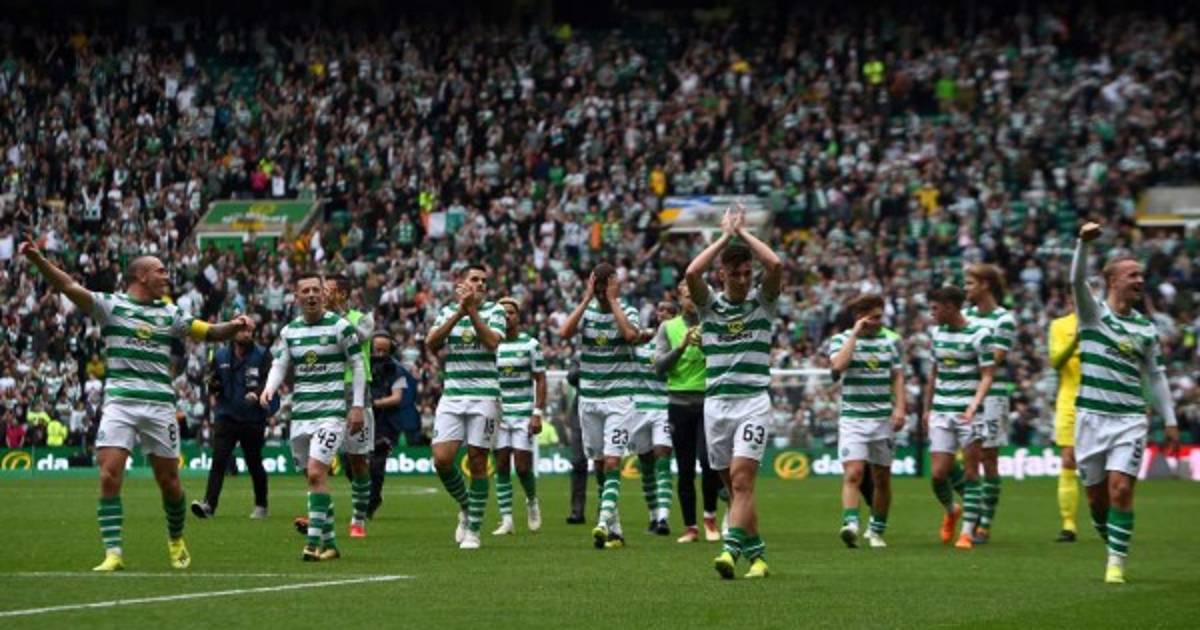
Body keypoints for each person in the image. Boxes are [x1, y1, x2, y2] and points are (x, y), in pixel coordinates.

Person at [21, 238, 254, 571]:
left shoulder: (170, 313)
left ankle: (176, 539)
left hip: (159, 406)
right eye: (160, 271)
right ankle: (113, 553)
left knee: (169, 483)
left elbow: (209, 332)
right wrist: (38, 260)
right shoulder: (111, 306)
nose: (166, 276)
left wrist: (234, 326)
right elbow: (69, 286)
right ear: (141, 276)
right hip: (120, 404)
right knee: (108, 474)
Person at [1071, 222, 1179, 584]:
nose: (1139, 280)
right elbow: (1075, 281)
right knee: (1096, 501)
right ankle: (1112, 542)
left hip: (1129, 419)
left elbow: (1156, 376)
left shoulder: (1146, 328)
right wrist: (1083, 244)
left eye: (1141, 275)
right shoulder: (1092, 315)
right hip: (1090, 418)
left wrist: (1170, 420)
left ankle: (1115, 563)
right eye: (1132, 274)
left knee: (1120, 488)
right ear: (1112, 281)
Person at [685, 206, 782, 580]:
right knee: (735, 487)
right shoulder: (709, 306)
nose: (743, 280)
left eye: (747, 273)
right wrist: (724, 236)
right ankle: (759, 556)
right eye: (735, 273)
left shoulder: (762, 302)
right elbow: (692, 273)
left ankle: (729, 548)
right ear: (722, 274)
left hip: (752, 402)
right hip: (716, 405)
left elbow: (775, 265)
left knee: (742, 482)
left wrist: (743, 234)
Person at [261, 272, 365, 561]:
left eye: (315, 290)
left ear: (323, 294)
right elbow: (280, 365)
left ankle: (312, 543)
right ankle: (331, 544)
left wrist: (357, 406)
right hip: (301, 415)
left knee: (317, 472)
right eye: (305, 290)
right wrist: (269, 389)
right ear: (296, 296)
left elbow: (358, 365)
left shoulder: (340, 327)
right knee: (313, 478)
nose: (310, 295)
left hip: (331, 414)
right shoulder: (289, 331)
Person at [559, 262, 642, 550]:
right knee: (598, 463)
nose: (604, 290)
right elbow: (564, 333)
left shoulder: (628, 310)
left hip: (619, 398)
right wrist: (585, 299)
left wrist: (614, 301)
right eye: (600, 285)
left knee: (612, 461)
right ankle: (615, 530)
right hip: (589, 398)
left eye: (609, 284)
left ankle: (603, 521)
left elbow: (631, 336)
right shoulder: (587, 312)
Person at [425, 264, 506, 550]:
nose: (480, 284)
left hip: (485, 396)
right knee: (441, 460)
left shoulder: (496, 311)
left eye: (484, 280)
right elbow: (432, 344)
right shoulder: (447, 311)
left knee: (477, 461)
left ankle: (473, 531)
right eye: (475, 279)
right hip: (453, 395)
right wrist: (460, 312)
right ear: (462, 283)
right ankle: (467, 505)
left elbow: (492, 342)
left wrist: (472, 312)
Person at [828, 294, 906, 549]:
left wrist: (900, 408)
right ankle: (851, 524)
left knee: (882, 477)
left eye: (880, 317)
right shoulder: (840, 340)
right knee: (854, 473)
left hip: (882, 418)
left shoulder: (891, 340)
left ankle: (876, 530)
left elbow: (897, 376)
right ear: (860, 317)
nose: (878, 322)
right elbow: (838, 367)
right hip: (853, 418)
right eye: (873, 317)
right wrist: (854, 334)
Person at [924, 285, 994, 551]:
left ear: (951, 307)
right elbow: (934, 373)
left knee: (971, 472)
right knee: (938, 474)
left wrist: (974, 405)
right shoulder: (936, 334)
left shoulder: (980, 334)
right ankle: (952, 510)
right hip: (941, 411)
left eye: (935, 308)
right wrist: (927, 408)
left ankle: (966, 533)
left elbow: (987, 374)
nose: (932, 313)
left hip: (969, 413)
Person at [655, 283, 722, 544]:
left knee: (707, 461)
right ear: (680, 299)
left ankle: (710, 518)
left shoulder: (713, 324)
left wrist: (706, 346)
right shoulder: (668, 327)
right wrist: (681, 347)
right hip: (679, 403)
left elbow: (724, 360)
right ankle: (690, 527)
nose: (692, 300)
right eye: (687, 296)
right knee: (684, 468)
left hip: (707, 402)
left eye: (696, 296)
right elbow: (659, 366)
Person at [192, 325, 277, 520]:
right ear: (232, 332)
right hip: (226, 416)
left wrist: (257, 394)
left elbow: (270, 380)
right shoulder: (220, 355)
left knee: (254, 462)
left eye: (249, 331)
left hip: (253, 417)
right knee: (218, 461)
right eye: (241, 330)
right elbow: (212, 381)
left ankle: (261, 505)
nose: (246, 334)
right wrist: (212, 384)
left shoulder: (262, 354)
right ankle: (208, 505)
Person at [963, 264, 1017, 544]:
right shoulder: (966, 316)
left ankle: (985, 523)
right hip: (964, 392)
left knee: (988, 457)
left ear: (985, 284)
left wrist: (963, 356)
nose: (966, 288)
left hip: (993, 395)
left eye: (970, 283)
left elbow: (994, 359)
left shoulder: (1004, 319)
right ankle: (971, 512)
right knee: (966, 458)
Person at [491, 297, 545, 536]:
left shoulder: (530, 344)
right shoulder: (491, 343)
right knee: (501, 465)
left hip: (523, 413)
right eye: (502, 313)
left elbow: (540, 379)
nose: (506, 316)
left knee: (522, 467)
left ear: (518, 316)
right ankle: (506, 520)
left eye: (511, 312)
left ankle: (532, 501)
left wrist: (537, 413)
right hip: (498, 414)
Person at [632, 304, 675, 537]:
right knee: (646, 465)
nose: (662, 313)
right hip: (638, 409)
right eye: (659, 310)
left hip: (664, 407)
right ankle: (652, 515)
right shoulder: (640, 342)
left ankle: (663, 518)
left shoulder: (677, 343)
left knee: (663, 458)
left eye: (668, 310)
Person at [365, 333, 414, 519]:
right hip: (362, 419)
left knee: (376, 464)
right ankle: (365, 491)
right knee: (349, 462)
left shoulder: (398, 371)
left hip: (386, 422)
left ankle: (373, 501)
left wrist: (374, 403)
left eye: (384, 351)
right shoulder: (360, 365)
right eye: (376, 349)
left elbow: (397, 397)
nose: (380, 354)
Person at [1048, 296, 1082, 543]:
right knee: (1069, 459)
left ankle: (1106, 514)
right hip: (1069, 401)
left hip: (1100, 400)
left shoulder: (1104, 325)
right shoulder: (1059, 326)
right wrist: (1076, 341)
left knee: (1102, 464)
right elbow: (1056, 361)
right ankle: (1068, 524)